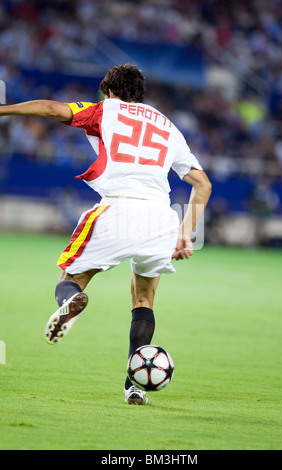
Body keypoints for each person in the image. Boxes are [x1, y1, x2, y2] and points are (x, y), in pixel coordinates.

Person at [0, 64, 212, 405]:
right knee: (144, 300)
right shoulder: (169, 126)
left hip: (117, 208)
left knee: (70, 277)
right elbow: (203, 184)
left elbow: (52, 109)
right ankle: (135, 385)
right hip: (161, 218)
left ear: (109, 91)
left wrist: (4, 110)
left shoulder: (104, 109)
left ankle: (71, 300)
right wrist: (185, 235)